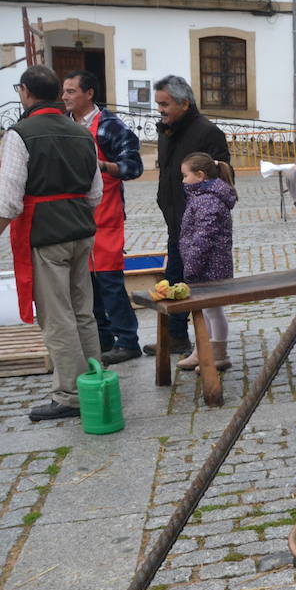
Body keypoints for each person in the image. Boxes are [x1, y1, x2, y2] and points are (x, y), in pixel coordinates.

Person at [0, 66, 102, 421]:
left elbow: (9, 199)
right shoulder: (80, 132)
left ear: (26, 92)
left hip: (46, 235)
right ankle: (95, 379)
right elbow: (95, 193)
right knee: (82, 313)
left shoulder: (20, 133)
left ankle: (71, 395)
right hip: (81, 231)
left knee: (57, 317)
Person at [62, 70, 144, 365]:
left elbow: (133, 167)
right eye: (64, 92)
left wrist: (103, 166)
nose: (66, 97)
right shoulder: (64, 125)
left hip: (106, 214)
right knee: (87, 282)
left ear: (89, 93)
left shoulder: (109, 126)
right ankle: (102, 339)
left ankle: (128, 340)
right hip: (76, 216)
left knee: (110, 280)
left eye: (71, 91)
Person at [150, 76, 230, 357]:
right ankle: (177, 336)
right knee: (174, 277)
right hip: (176, 219)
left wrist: (200, 210)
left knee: (194, 282)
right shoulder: (166, 130)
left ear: (184, 103)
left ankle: (204, 345)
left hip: (199, 222)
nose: (160, 109)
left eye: (165, 103)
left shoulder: (208, 132)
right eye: (158, 103)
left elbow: (221, 176)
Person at [176, 154, 238, 372]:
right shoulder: (201, 197)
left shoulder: (208, 200)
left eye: (185, 176)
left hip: (211, 267)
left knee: (213, 311)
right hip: (206, 266)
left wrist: (192, 265)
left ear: (200, 176)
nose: (183, 181)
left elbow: (204, 237)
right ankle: (202, 350)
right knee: (204, 311)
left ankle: (218, 355)